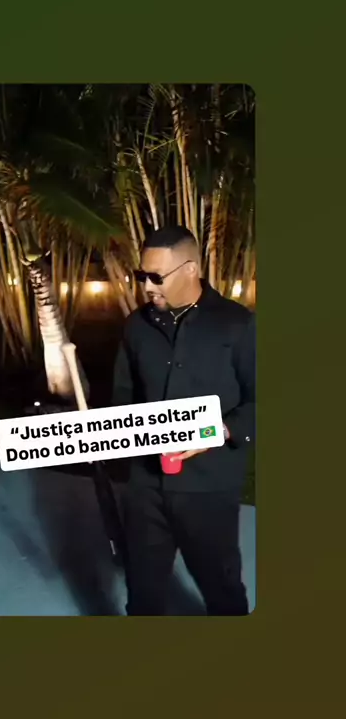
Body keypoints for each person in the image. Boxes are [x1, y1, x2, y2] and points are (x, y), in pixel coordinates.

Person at [112, 225, 255, 616]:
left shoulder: (238, 325)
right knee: (142, 591)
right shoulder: (136, 326)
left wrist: (217, 430)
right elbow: (124, 396)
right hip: (145, 486)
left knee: (222, 590)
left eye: (156, 277)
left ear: (191, 269)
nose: (146, 287)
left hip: (209, 488)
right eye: (142, 276)